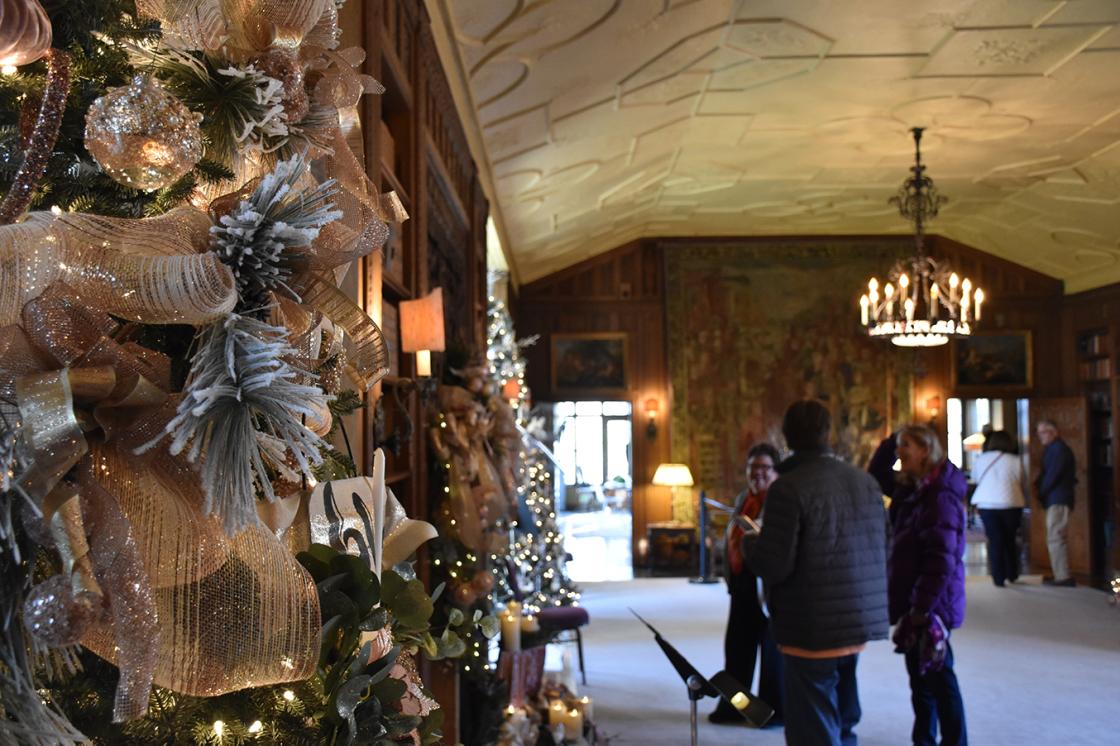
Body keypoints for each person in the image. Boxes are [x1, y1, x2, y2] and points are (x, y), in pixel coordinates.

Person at [744, 400, 888, 746]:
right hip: (857, 617)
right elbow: (883, 545)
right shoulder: (865, 482)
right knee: (843, 715)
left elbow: (774, 564)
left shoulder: (788, 487)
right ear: (828, 433)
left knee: (812, 724)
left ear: (787, 436)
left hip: (811, 622)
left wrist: (750, 543)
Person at [888, 424, 967, 746]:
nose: (898, 451)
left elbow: (941, 560)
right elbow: (879, 472)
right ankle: (923, 740)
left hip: (931, 605)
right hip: (915, 601)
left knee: (939, 678)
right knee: (919, 681)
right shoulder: (915, 489)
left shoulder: (940, 496)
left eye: (905, 445)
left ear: (925, 449)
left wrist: (921, 606)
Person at [710, 442, 784, 726]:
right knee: (737, 648)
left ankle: (769, 711)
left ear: (776, 471)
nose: (758, 474)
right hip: (742, 584)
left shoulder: (780, 500)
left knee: (771, 653)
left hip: (769, 588)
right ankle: (733, 706)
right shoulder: (745, 498)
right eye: (753, 468)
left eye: (765, 468)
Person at [970, 430, 1025, 587]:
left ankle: (998, 577)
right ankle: (1012, 573)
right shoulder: (1016, 460)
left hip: (987, 504)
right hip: (1011, 503)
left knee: (995, 540)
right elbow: (1021, 479)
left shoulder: (981, 460)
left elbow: (975, 478)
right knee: (1010, 539)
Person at [1035, 419, 1076, 586]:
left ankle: (1063, 576)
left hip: (1058, 498)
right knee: (1054, 536)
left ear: (1054, 432)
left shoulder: (1059, 450)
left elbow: (1053, 475)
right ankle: (1060, 573)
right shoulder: (1053, 449)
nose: (1041, 437)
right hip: (1055, 498)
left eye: (1044, 432)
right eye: (1039, 433)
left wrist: (1040, 492)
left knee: (1056, 536)